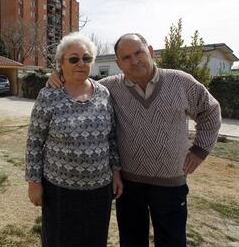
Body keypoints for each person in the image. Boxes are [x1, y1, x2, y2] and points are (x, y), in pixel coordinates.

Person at [47, 33, 221, 247]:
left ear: (150, 51)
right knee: (131, 241)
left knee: (172, 241)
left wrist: (200, 149)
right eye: (126, 57)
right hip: (129, 185)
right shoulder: (109, 88)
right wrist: (57, 75)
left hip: (170, 183)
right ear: (119, 63)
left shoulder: (181, 81)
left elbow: (210, 111)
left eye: (138, 52)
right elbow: (79, 79)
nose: (134, 60)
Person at [25, 32, 123, 247]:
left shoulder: (104, 94)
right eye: (73, 59)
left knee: (94, 239)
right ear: (61, 63)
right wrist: (34, 182)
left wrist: (116, 172)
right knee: (59, 240)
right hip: (59, 190)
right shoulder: (49, 95)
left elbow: (112, 138)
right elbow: (34, 142)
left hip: (99, 189)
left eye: (86, 58)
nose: (81, 63)